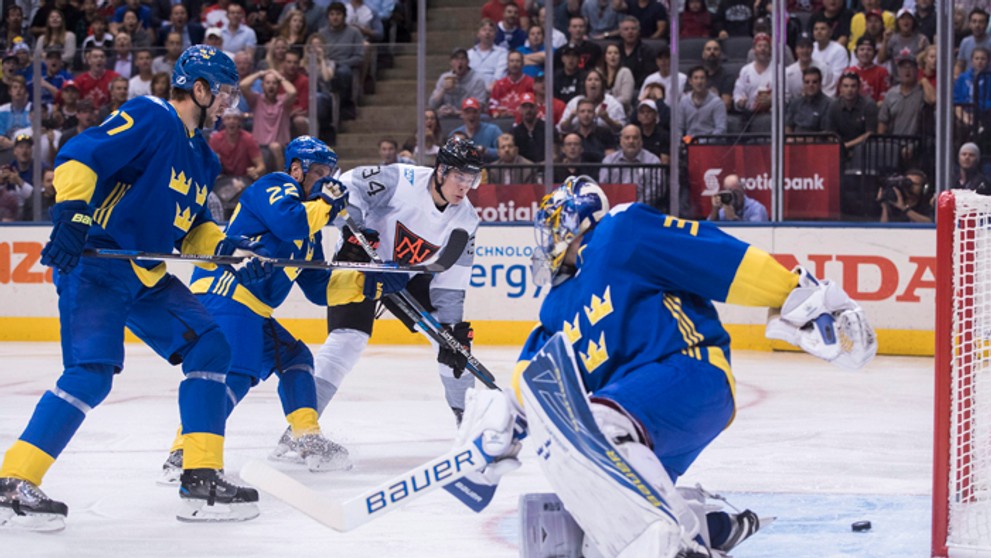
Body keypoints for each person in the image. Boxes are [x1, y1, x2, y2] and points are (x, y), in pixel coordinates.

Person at [454, 175, 875, 558]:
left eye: (549, 225)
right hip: (637, 419)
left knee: (598, 430)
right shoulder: (554, 309)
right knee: (596, 522)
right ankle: (709, 525)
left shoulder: (620, 233)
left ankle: (680, 543)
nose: (543, 239)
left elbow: (715, 257)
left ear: (574, 220)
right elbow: (532, 383)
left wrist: (792, 291)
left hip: (689, 374)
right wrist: (498, 425)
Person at [0, 45, 271, 529]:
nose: (231, 103)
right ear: (201, 89)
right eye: (225, 91)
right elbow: (80, 155)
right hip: (98, 266)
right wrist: (71, 212)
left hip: (144, 276)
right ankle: (13, 483)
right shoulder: (152, 115)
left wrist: (231, 251)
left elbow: (193, 231)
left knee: (210, 348)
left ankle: (201, 478)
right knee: (91, 374)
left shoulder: (202, 158)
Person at [159, 136, 385, 481]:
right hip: (226, 292)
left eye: (331, 173)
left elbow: (317, 288)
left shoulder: (310, 235)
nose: (327, 180)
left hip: (253, 309)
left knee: (295, 359)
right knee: (236, 371)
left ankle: (307, 437)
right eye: (320, 172)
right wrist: (327, 204)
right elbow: (289, 221)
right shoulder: (275, 186)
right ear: (297, 169)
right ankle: (184, 450)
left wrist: (364, 283)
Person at [269, 137, 484, 465]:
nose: (465, 187)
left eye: (471, 179)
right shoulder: (402, 180)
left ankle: (469, 427)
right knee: (347, 341)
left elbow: (451, 283)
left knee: (452, 348)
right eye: (460, 177)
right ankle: (298, 430)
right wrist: (358, 230)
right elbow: (344, 187)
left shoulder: (466, 220)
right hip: (361, 264)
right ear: (440, 170)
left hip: (407, 278)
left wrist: (452, 329)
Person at [430, 48, 490, 118]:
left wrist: (456, 112)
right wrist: (443, 89)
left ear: (468, 62)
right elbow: (432, 105)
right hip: (447, 118)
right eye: (456, 59)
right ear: (451, 62)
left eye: (462, 59)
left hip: (470, 118)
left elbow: (480, 107)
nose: (460, 62)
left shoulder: (477, 79)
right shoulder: (444, 78)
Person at [681, 65, 728, 138]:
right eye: (696, 78)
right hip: (689, 143)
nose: (699, 82)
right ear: (690, 81)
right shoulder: (683, 102)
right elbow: (678, 128)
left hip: (709, 144)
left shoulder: (717, 102)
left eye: (702, 78)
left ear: (706, 81)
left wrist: (708, 142)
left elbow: (721, 129)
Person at [785, 67, 831, 133]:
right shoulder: (794, 102)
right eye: (807, 82)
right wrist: (790, 139)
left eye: (814, 82)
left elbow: (825, 134)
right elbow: (788, 127)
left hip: (817, 142)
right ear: (803, 84)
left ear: (820, 84)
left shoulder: (828, 104)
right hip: (794, 141)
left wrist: (800, 139)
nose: (810, 85)